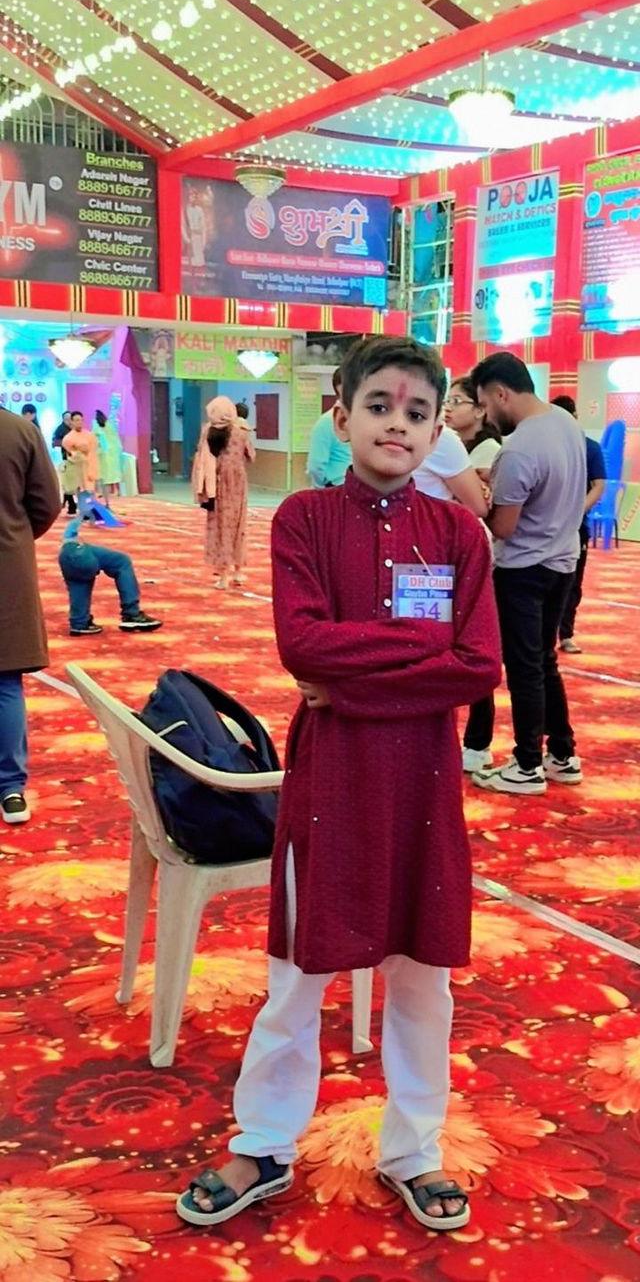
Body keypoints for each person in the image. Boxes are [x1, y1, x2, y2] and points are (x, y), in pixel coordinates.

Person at [176, 335, 501, 1234]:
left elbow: (477, 668)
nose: (398, 424)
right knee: (294, 975)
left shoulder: (457, 534)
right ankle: (265, 1141)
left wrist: (363, 674)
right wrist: (418, 653)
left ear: (438, 429)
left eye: (417, 411)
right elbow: (302, 647)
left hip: (425, 790)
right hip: (331, 783)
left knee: (424, 978)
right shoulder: (305, 522)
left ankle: (414, 1149)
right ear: (343, 414)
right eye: (380, 406)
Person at [470, 353, 586, 795]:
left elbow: (504, 526)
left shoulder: (517, 448)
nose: (486, 413)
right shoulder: (563, 422)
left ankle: (527, 765)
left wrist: (477, 501)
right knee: (544, 662)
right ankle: (562, 753)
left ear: (501, 393)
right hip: (562, 562)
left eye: (484, 403)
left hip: (523, 570)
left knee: (524, 669)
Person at [0, 405, 60, 823]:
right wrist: (16, 536)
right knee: (5, 679)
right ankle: (10, 788)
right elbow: (47, 503)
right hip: (6, 567)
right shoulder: (19, 431)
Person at [444, 376, 502, 773]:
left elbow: (481, 504)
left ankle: (477, 742)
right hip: (440, 556)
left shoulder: (487, 449)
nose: (449, 407)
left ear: (481, 409)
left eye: (458, 400)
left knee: (473, 648)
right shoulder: (451, 442)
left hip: (468, 553)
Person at [551, 396, 606, 655]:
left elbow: (599, 486)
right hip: (545, 528)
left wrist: (576, 510)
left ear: (574, 417)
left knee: (572, 582)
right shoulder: (545, 446)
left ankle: (566, 634)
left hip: (576, 527)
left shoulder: (589, 447)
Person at [192, 396, 255, 589]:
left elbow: (202, 457)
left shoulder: (207, 431)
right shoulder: (241, 431)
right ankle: (238, 571)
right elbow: (251, 456)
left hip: (216, 482)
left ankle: (223, 576)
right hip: (237, 481)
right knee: (238, 524)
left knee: (220, 526)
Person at [58, 520, 162, 635]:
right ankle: (132, 614)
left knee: (79, 582)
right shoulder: (86, 509)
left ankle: (79, 623)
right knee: (122, 561)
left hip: (64, 555)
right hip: (81, 550)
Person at [413, 422, 489, 518]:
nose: (450, 409)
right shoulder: (442, 437)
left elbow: (479, 508)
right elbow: (479, 508)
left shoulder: (440, 437)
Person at [306, 368, 351, 488]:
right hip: (337, 486)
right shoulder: (326, 423)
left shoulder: (365, 419)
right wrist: (322, 490)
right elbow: (315, 466)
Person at [61, 411, 100, 519]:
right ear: (72, 422)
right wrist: (79, 451)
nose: (79, 422)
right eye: (76, 420)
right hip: (77, 467)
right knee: (81, 489)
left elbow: (94, 449)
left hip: (90, 465)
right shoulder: (68, 438)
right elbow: (71, 453)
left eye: (81, 420)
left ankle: (91, 510)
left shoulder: (90, 435)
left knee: (90, 489)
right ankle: (84, 511)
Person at [93, 409, 123, 503]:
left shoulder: (97, 428)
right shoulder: (110, 426)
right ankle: (108, 500)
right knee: (108, 478)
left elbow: (94, 439)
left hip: (101, 455)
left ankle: (98, 499)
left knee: (99, 478)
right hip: (110, 455)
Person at [52, 411, 76, 516]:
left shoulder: (74, 429)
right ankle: (71, 505)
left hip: (77, 459)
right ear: (63, 419)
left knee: (72, 483)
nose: (69, 420)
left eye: (70, 418)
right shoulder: (60, 429)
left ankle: (68, 502)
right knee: (68, 483)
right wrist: (66, 444)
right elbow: (55, 442)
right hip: (66, 459)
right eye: (66, 418)